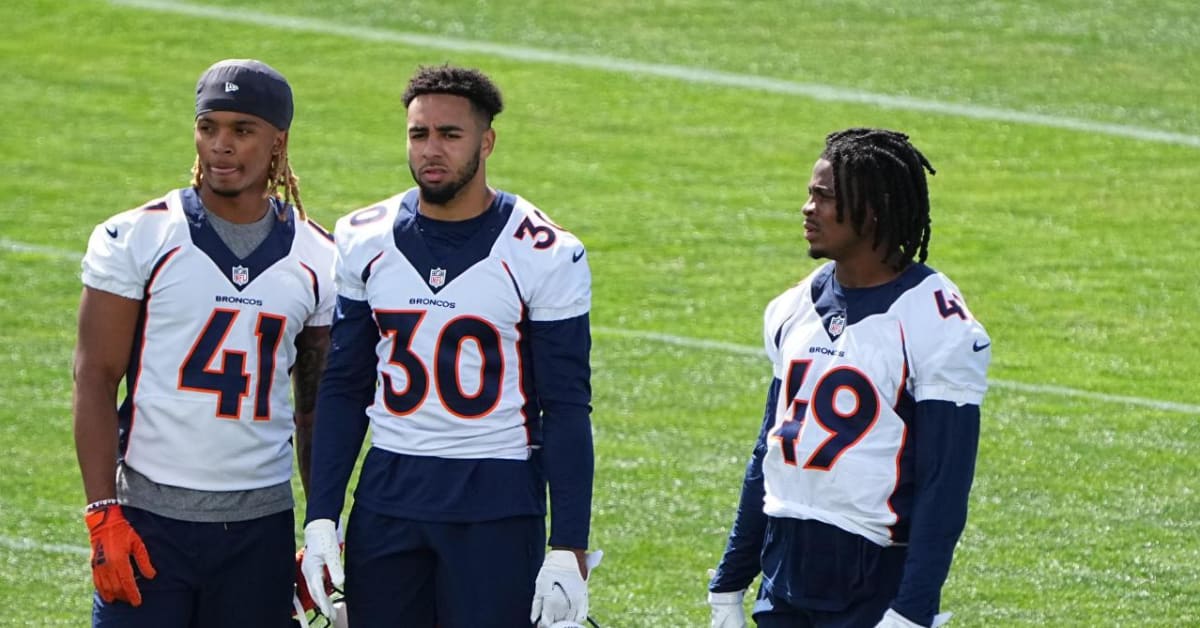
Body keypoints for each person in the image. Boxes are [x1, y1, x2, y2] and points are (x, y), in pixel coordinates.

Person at [299, 64, 597, 628]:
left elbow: (566, 405)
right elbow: (343, 385)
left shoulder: (545, 250)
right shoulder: (365, 235)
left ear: (486, 141)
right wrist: (322, 519)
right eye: (419, 134)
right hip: (389, 491)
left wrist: (569, 545)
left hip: (497, 497)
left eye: (449, 135)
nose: (431, 149)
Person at [72, 58, 335, 627]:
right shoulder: (138, 236)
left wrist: (323, 526)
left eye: (242, 130)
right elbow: (94, 376)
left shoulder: (320, 257)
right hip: (148, 519)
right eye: (209, 126)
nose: (221, 145)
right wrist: (102, 514)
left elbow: (314, 410)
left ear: (278, 142)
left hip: (260, 528)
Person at [708, 128, 991, 628]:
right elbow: (769, 451)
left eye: (824, 197)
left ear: (873, 209)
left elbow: (944, 481)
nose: (807, 208)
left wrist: (912, 607)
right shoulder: (794, 306)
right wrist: (731, 580)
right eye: (809, 194)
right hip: (785, 562)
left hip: (871, 570)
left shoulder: (934, 320)